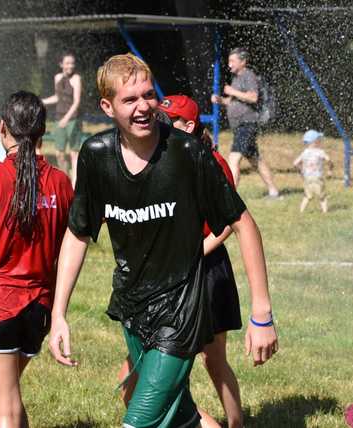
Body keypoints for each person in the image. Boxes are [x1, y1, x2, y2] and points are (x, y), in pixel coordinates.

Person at [49, 53, 278, 428]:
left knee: (137, 422)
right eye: (130, 100)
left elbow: (243, 223)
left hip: (182, 311)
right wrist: (59, 314)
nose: (143, 107)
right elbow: (78, 233)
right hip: (133, 307)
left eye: (148, 95)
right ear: (107, 106)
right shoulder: (96, 156)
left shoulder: (187, 153)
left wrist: (262, 313)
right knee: (180, 418)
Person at [116, 95, 245, 428]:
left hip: (206, 270)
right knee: (137, 367)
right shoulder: (162, 157)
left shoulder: (212, 161)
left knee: (212, 360)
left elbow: (232, 223)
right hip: (168, 274)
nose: (157, 122)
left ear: (188, 126)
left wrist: (192, 254)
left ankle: (233, 424)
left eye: (167, 118)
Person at [0, 91, 73, 427]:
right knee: (12, 397)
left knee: (4, 410)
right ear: (43, 130)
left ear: (3, 128)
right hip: (39, 309)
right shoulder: (62, 183)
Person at [210, 48, 280, 198]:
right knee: (256, 160)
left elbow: (253, 97)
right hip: (240, 125)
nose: (229, 64)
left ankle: (230, 197)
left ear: (243, 62)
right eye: (229, 61)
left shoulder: (249, 76)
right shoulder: (237, 78)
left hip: (247, 124)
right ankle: (274, 191)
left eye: (232, 61)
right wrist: (221, 100)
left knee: (233, 159)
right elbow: (234, 101)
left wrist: (232, 92)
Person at [42, 52, 82, 186]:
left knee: (74, 153)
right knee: (59, 153)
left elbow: (76, 102)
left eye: (72, 63)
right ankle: (65, 179)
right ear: (61, 64)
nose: (70, 65)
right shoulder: (57, 77)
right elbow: (57, 97)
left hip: (73, 119)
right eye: (67, 63)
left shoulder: (77, 78)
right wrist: (42, 101)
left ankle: (74, 182)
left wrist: (66, 118)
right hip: (59, 118)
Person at [293, 130, 333, 213]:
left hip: (307, 178)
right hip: (318, 178)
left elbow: (295, 163)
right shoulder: (320, 152)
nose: (321, 141)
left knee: (307, 196)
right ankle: (325, 212)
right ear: (316, 142)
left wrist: (301, 171)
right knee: (322, 196)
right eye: (319, 139)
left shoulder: (305, 152)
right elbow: (329, 160)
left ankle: (301, 211)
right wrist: (330, 169)